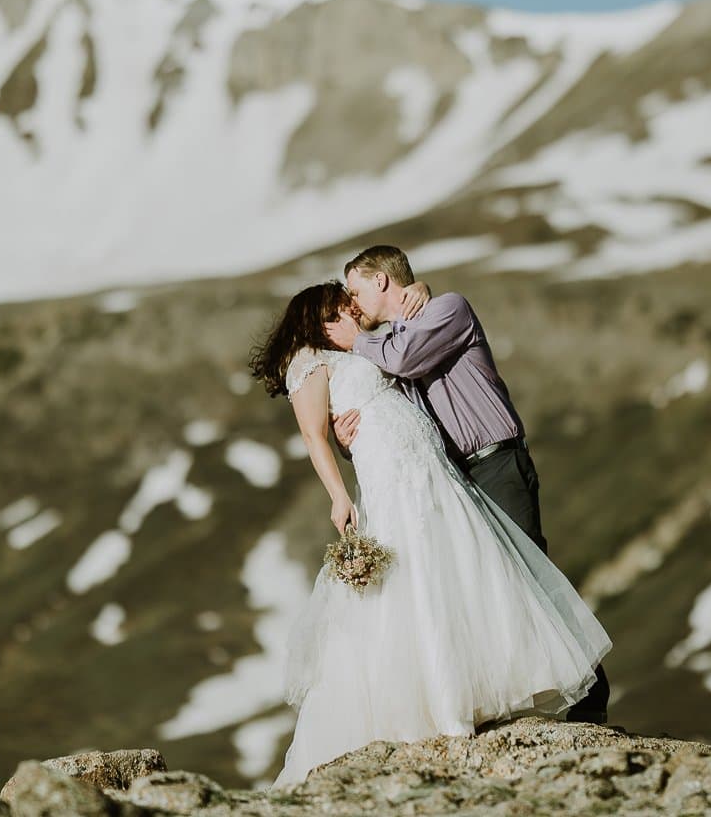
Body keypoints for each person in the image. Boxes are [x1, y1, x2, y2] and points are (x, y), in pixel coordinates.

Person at [249, 281, 611, 788]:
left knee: (459, 565)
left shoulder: (370, 340)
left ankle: (486, 694)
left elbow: (403, 342)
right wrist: (338, 492)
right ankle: (436, 705)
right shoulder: (310, 361)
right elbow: (314, 436)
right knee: (410, 575)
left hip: (432, 470)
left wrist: (415, 291)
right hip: (390, 475)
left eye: (352, 302)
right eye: (339, 308)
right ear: (316, 318)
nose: (351, 312)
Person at [323, 245, 612, 724]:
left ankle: (589, 705)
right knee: (491, 587)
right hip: (457, 478)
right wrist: (348, 440)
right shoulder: (392, 338)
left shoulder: (447, 309)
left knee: (532, 577)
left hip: (497, 463)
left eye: (355, 290)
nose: (353, 304)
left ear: (381, 281)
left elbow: (407, 358)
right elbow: (399, 413)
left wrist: (355, 341)